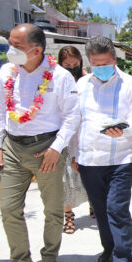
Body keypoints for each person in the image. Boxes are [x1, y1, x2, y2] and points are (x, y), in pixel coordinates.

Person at [0, 24, 79, 262]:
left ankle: (49, 258)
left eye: (16, 46)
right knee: (8, 208)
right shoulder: (7, 71)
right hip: (13, 148)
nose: (10, 51)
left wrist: (56, 148)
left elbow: (72, 116)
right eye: (10, 43)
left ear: (36, 50)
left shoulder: (60, 76)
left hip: (46, 149)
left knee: (52, 209)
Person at [72, 36, 132, 262]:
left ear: (114, 60)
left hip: (120, 158)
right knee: (101, 210)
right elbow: (75, 121)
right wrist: (74, 153)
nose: (100, 67)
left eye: (105, 62)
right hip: (89, 159)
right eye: (95, 63)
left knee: (117, 209)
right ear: (89, 62)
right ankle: (108, 249)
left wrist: (124, 131)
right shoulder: (81, 85)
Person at [57, 46, 90, 234]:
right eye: (67, 65)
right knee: (64, 179)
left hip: (84, 135)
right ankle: (68, 216)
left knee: (87, 174)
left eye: (75, 64)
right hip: (63, 137)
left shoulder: (87, 81)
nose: (71, 68)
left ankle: (93, 204)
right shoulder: (54, 80)